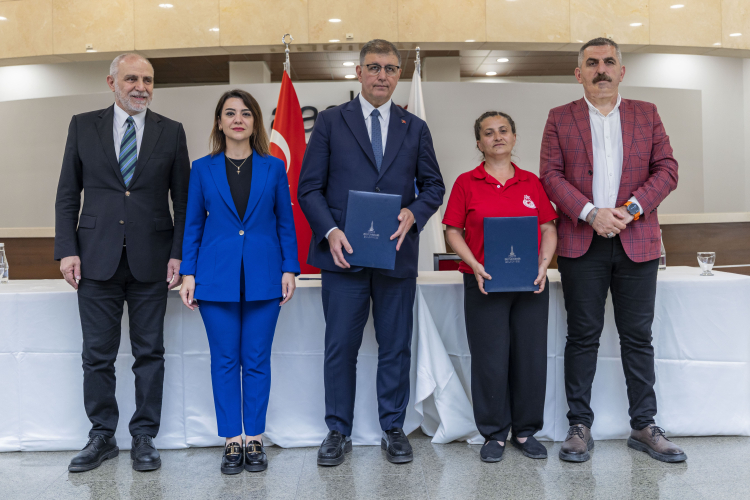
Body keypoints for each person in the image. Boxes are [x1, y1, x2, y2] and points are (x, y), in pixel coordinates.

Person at [298, 39, 444, 466]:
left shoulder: (415, 127)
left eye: (391, 68)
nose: (383, 75)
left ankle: (393, 428)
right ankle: (337, 430)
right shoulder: (331, 121)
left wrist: (414, 212)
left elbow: (433, 186)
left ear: (399, 75)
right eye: (375, 67)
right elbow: (309, 188)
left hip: (395, 254)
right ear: (359, 72)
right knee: (340, 347)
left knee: (395, 346)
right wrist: (330, 231)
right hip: (343, 256)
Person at [540, 37, 685, 463]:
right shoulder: (559, 117)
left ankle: (644, 425)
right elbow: (550, 176)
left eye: (608, 62)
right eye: (591, 63)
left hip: (636, 240)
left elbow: (667, 170)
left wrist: (631, 209)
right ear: (578, 73)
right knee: (582, 336)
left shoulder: (647, 113)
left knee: (638, 337)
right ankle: (579, 427)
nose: (600, 69)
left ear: (621, 71)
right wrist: (590, 213)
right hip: (581, 242)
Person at [55, 53, 190, 472]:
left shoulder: (171, 130)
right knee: (97, 355)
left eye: (148, 80)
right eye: (131, 78)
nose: (141, 87)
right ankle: (102, 435)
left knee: (150, 353)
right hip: (95, 258)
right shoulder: (83, 125)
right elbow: (67, 193)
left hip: (153, 259)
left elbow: (184, 201)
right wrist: (67, 249)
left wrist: (179, 253)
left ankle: (144, 436)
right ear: (111, 82)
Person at [179, 90, 299, 474]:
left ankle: (255, 438)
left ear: (254, 122)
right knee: (226, 360)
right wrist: (188, 273)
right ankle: (232, 439)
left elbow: (285, 222)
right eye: (230, 113)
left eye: (245, 113)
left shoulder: (273, 167)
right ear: (219, 122)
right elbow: (193, 225)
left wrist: (289, 268)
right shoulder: (202, 169)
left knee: (257, 360)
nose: (238, 120)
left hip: (265, 276)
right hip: (215, 278)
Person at [442, 111, 557, 463]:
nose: (497, 137)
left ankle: (525, 431)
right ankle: (494, 433)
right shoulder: (466, 182)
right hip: (483, 282)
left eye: (503, 130)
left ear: (514, 137)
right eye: (489, 133)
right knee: (490, 359)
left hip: (529, 283)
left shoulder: (532, 183)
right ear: (479, 143)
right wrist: (474, 264)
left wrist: (543, 265)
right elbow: (452, 232)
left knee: (530, 358)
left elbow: (549, 229)